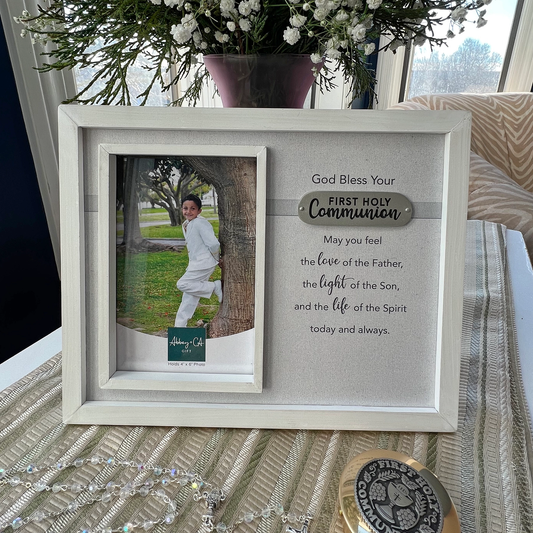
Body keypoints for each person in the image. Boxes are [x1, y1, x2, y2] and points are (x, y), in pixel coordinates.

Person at [174, 194, 223, 327]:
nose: (188, 211)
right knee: (189, 296)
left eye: (193, 208)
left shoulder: (201, 223)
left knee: (182, 284)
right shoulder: (186, 224)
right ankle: (180, 327)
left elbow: (213, 243)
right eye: (185, 208)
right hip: (195, 264)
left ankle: (214, 287)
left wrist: (216, 258)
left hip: (203, 263)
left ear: (199, 211)